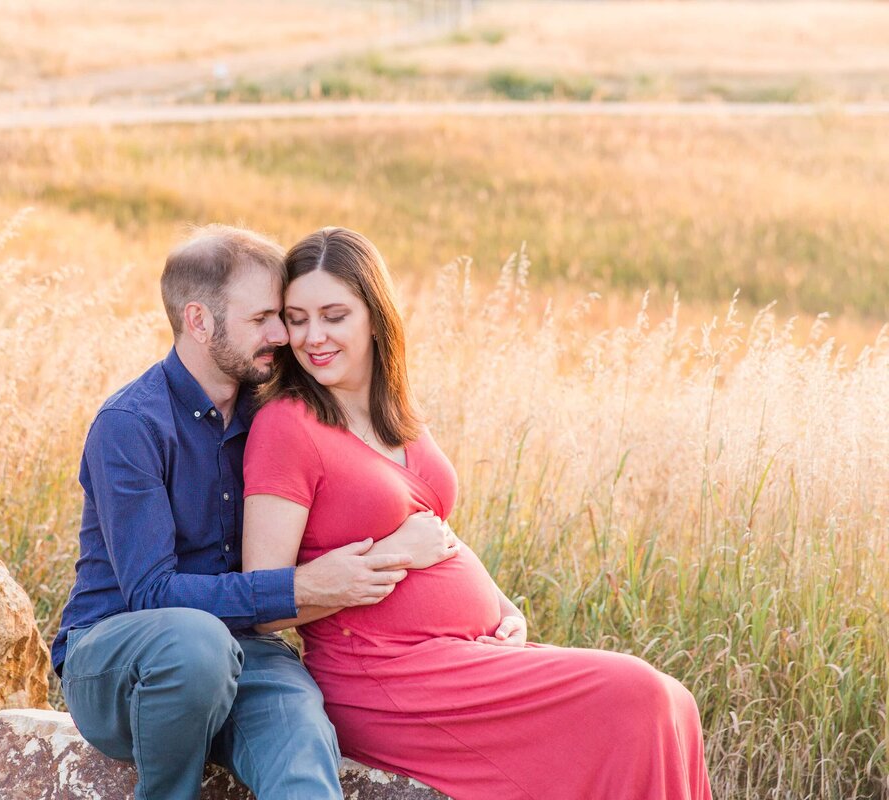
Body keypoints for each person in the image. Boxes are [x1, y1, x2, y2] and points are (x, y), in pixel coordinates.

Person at [242, 226, 713, 800]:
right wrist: (393, 556)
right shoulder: (286, 426)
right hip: (386, 678)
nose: (313, 336)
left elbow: (436, 532)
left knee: (675, 703)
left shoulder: (396, 414)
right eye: (297, 318)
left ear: (374, 316)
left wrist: (501, 604)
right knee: (638, 693)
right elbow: (262, 601)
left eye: (334, 315)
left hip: (467, 657)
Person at [51, 224, 456, 800]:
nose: (282, 335)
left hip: (248, 655)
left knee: (301, 739)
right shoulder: (130, 426)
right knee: (197, 644)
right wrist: (298, 588)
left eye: (280, 317)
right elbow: (150, 593)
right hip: (118, 661)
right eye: (263, 319)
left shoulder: (274, 416)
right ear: (198, 320)